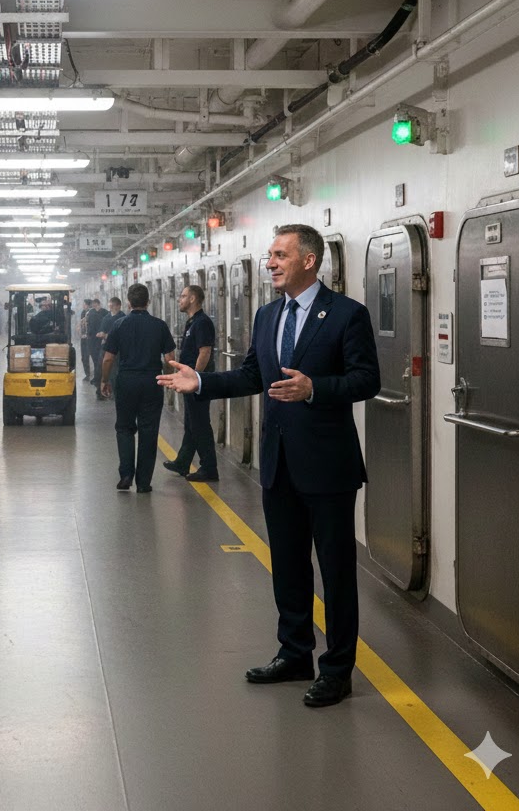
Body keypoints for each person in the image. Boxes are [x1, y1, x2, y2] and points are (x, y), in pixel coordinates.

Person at [157, 224, 379, 707]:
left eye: (280, 255)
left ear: (309, 261)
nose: (271, 263)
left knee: (337, 573)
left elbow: (366, 379)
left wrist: (315, 388)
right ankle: (295, 652)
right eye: (270, 256)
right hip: (277, 462)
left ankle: (337, 669)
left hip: (328, 467)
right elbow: (255, 375)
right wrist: (203, 383)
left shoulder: (346, 315)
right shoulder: (266, 316)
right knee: (289, 566)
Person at [100, 283, 176, 493]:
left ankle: (126, 475)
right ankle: (144, 483)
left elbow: (108, 359)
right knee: (148, 431)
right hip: (152, 382)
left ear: (128, 302)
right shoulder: (159, 325)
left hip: (126, 382)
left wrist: (105, 380)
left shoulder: (119, 325)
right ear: (148, 301)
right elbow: (170, 358)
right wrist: (169, 379)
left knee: (124, 428)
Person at [163, 284, 219, 482]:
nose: (180, 299)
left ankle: (209, 468)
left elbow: (205, 352)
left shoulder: (202, 322)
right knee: (192, 423)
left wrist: (195, 378)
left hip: (198, 382)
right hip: (192, 380)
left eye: (183, 296)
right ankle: (183, 461)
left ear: (193, 299)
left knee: (200, 424)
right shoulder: (192, 322)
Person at [98, 296, 126, 394]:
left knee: (115, 370)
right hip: (106, 346)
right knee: (102, 368)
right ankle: (103, 389)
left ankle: (115, 391)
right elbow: (102, 329)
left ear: (118, 306)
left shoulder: (123, 318)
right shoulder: (106, 317)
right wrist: (101, 334)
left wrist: (106, 335)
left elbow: (122, 334)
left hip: (118, 349)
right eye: (109, 306)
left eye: (112, 306)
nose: (110, 308)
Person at [86, 297, 106, 398]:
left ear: (97, 304)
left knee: (99, 364)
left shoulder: (95, 314)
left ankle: (100, 387)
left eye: (94, 305)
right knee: (98, 364)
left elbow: (89, 327)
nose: (93, 307)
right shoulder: (96, 313)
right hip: (97, 342)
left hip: (98, 342)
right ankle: (100, 386)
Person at [78, 298, 92, 382]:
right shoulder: (83, 313)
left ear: (88, 305)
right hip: (83, 338)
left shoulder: (92, 313)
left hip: (89, 338)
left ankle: (94, 374)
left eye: (84, 304)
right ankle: (87, 374)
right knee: (84, 357)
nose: (83, 306)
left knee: (91, 356)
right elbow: (81, 323)